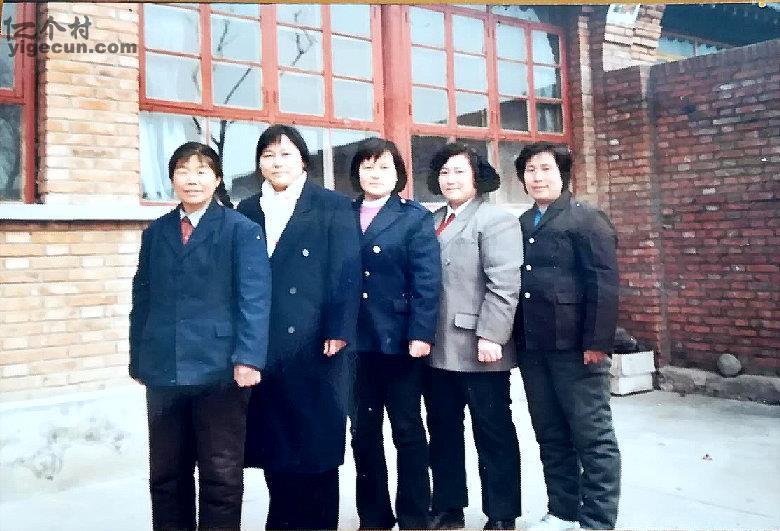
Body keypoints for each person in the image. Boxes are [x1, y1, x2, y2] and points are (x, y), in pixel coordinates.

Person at [129, 141, 271, 531]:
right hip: (163, 368)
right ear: (171, 179)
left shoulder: (241, 230)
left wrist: (248, 359)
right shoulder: (156, 232)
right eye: (183, 171)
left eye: (202, 171)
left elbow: (254, 299)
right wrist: (139, 359)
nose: (192, 180)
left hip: (220, 369)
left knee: (220, 473)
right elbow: (142, 298)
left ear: (217, 179)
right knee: (166, 473)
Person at [237, 124, 362, 530]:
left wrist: (338, 328)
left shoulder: (331, 205)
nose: (277, 162)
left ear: (303, 160)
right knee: (275, 443)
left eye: (286, 154)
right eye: (268, 155)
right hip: (265, 343)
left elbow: (347, 271)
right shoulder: (248, 209)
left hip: (316, 342)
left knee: (316, 445)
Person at [513, 142, 621, 530]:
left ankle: (597, 520)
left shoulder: (587, 219)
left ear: (562, 173)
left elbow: (603, 284)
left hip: (576, 348)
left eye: (545, 169)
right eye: (530, 170)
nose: (537, 177)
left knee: (592, 437)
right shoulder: (523, 222)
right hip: (534, 347)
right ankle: (563, 511)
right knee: (551, 434)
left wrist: (597, 343)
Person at [425, 143, 524, 530]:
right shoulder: (432, 220)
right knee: (442, 430)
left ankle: (501, 514)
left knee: (493, 431)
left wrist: (492, 337)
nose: (450, 179)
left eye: (459, 172)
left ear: (477, 178)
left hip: (480, 346)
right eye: (444, 172)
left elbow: (504, 285)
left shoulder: (496, 220)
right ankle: (448, 507)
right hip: (436, 347)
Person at [348, 137, 442, 530]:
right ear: (357, 172)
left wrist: (421, 333)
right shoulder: (342, 214)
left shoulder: (413, 217)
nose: (375, 174)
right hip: (354, 343)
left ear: (398, 174)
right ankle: (374, 517)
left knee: (407, 430)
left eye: (384, 166)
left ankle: (415, 516)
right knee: (363, 433)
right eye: (368, 166)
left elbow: (427, 281)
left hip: (399, 341)